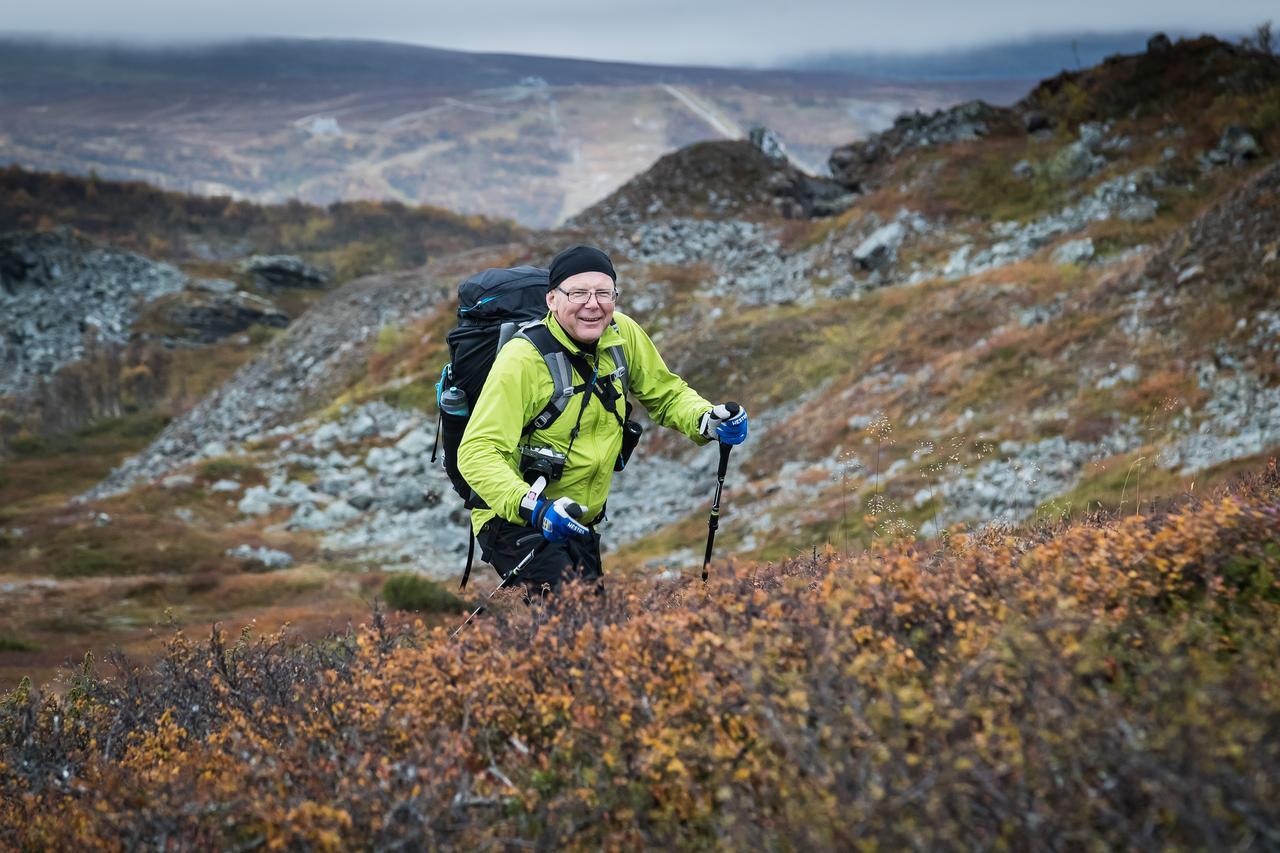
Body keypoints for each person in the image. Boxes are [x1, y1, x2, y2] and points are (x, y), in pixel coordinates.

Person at [456, 244, 748, 598]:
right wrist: (532, 507)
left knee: (593, 631)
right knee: (574, 617)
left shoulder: (623, 334)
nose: (592, 304)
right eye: (578, 292)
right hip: (516, 517)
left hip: (579, 520)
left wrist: (705, 419)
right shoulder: (523, 360)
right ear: (552, 299)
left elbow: (666, 394)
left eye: (603, 292)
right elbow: (477, 451)